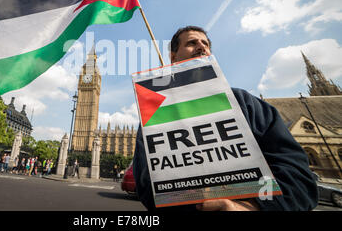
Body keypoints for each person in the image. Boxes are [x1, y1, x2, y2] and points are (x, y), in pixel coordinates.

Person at [132, 26, 318, 211]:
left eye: (205, 43)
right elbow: (148, 185)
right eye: (191, 43)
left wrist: (250, 207)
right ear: (173, 58)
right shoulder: (157, 110)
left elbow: (298, 177)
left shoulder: (245, 103)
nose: (200, 46)